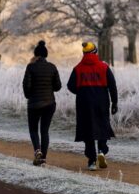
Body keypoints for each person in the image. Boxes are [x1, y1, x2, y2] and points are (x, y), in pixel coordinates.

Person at [67, 41, 118, 171]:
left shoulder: (78, 68)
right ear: (95, 52)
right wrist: (114, 102)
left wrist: (81, 91)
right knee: (102, 125)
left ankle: (91, 161)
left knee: (88, 130)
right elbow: (112, 86)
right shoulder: (104, 67)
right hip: (101, 101)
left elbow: (70, 86)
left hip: (84, 102)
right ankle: (101, 150)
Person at [22, 40, 62, 166]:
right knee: (44, 131)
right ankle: (43, 157)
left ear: (36, 55)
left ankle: (37, 151)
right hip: (49, 104)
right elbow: (58, 86)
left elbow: (26, 85)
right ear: (46, 55)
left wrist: (29, 96)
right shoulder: (52, 67)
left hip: (34, 104)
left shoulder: (31, 67)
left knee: (33, 130)